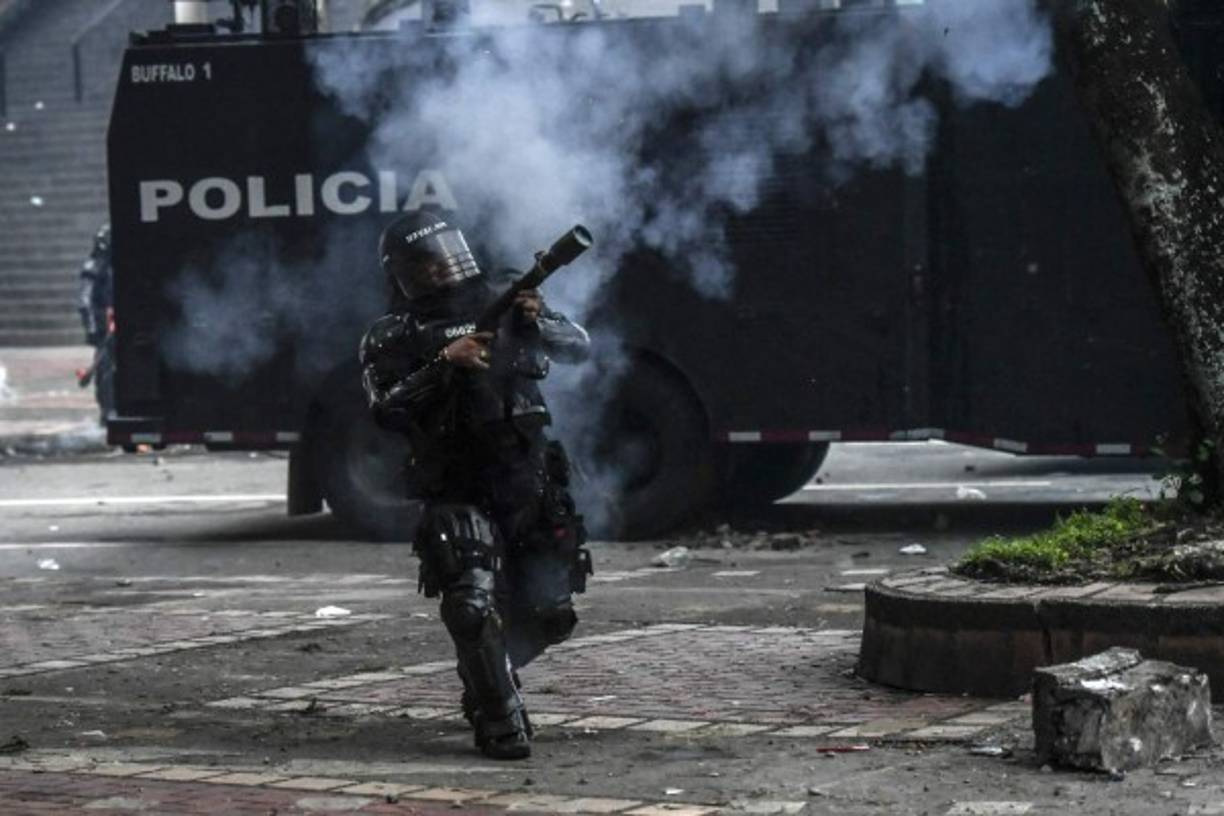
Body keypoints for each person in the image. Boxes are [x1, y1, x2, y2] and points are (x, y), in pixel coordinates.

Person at [359, 211, 593, 760]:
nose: (441, 270)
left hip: (529, 480)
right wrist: (446, 363)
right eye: (424, 263)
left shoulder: (509, 298)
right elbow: (386, 407)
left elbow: (579, 346)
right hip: (457, 483)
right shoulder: (393, 334)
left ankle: (489, 671)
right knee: (469, 604)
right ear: (402, 274)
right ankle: (498, 715)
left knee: (552, 615)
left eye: (446, 255)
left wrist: (541, 322)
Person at [76, 223, 114, 422]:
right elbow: (85, 299)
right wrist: (93, 328)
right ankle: (108, 413)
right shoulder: (96, 265)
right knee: (105, 370)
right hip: (105, 324)